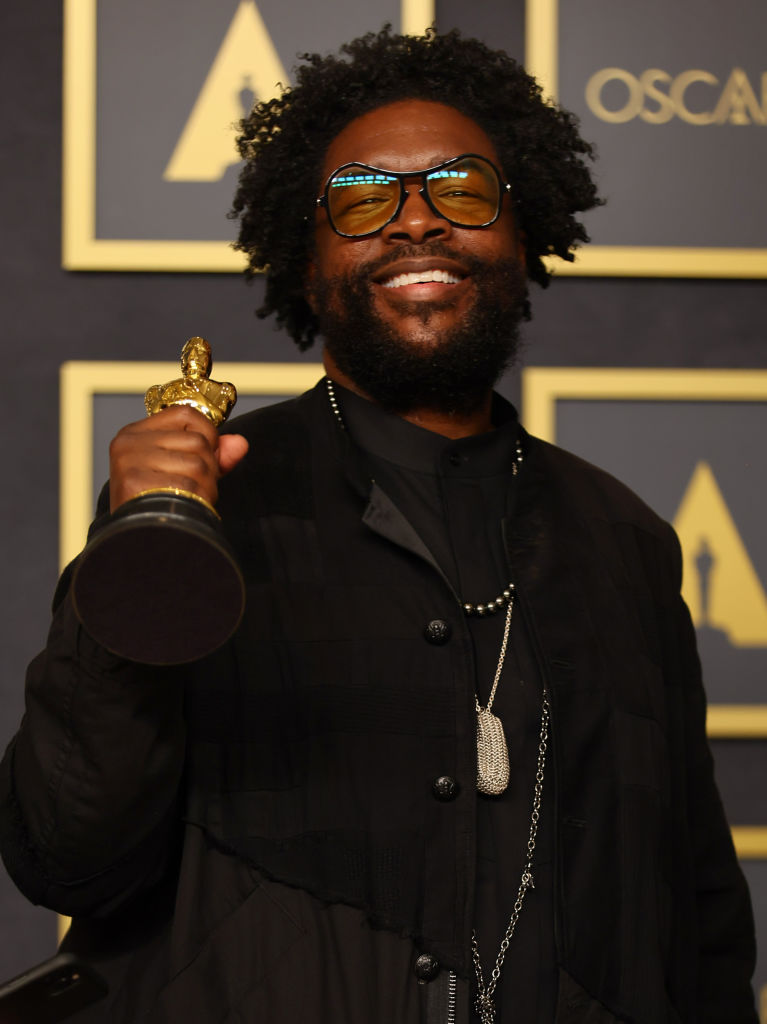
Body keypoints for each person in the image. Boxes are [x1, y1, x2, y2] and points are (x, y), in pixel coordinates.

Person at [0, 27, 757, 1024]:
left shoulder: (622, 536)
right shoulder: (205, 502)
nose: (414, 222)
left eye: (460, 188)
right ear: (306, 262)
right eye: (363, 197)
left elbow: (696, 919)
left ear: (520, 235)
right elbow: (64, 852)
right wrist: (144, 560)